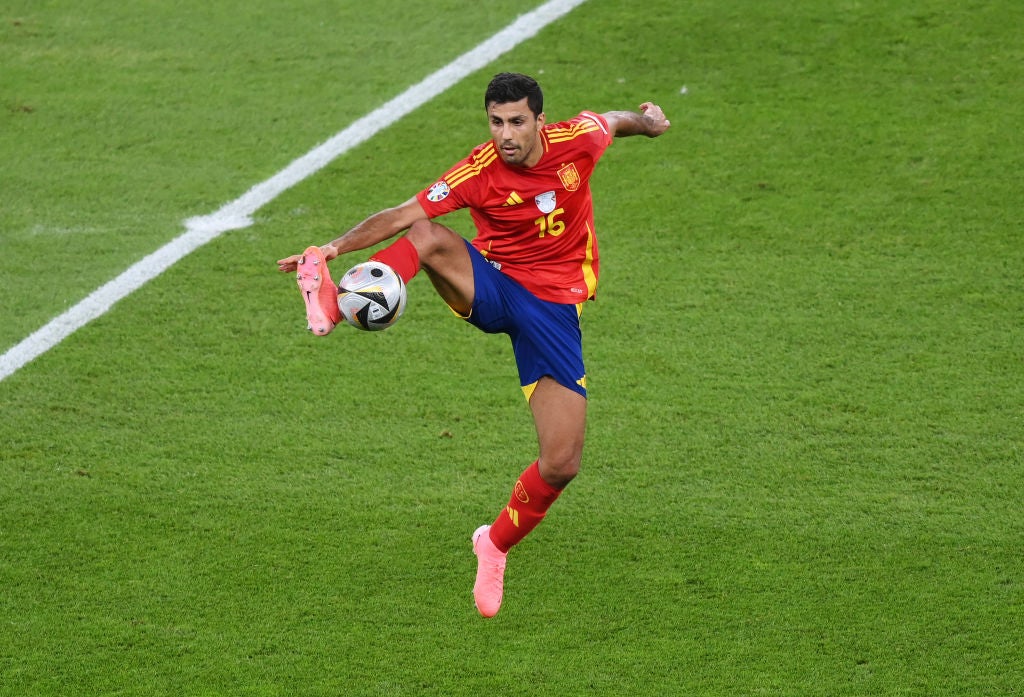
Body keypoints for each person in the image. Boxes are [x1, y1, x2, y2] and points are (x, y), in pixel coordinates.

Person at [277, 72, 670, 617]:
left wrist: (648, 124)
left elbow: (614, 121)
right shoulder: (479, 170)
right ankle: (332, 302)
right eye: (495, 122)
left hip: (552, 312)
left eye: (515, 121)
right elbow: (403, 215)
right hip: (492, 284)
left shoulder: (577, 139)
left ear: (538, 120)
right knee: (427, 236)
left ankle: (494, 544)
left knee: (562, 462)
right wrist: (332, 246)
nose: (505, 134)